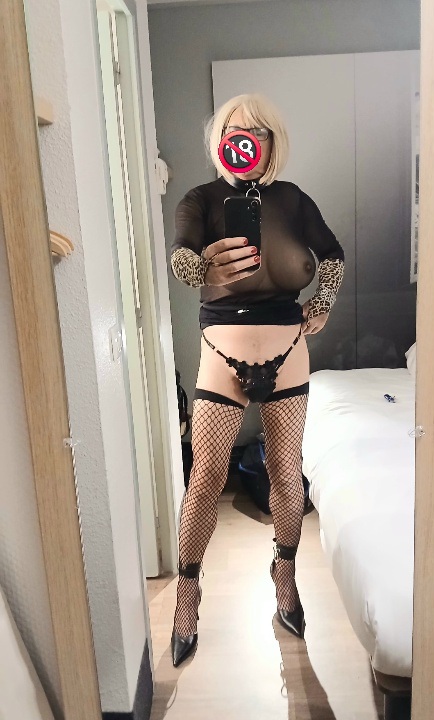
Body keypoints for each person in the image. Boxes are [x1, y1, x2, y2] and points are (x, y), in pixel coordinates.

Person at [170, 93, 345, 667]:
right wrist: (205, 266)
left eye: (255, 132)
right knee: (205, 477)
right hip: (222, 353)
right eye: (232, 130)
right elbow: (181, 258)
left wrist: (322, 301)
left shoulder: (293, 200)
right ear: (220, 139)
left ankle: (285, 576)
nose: (243, 140)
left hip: (289, 350)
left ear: (272, 141)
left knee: (287, 476)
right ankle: (188, 595)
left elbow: (333, 255)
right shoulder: (201, 199)